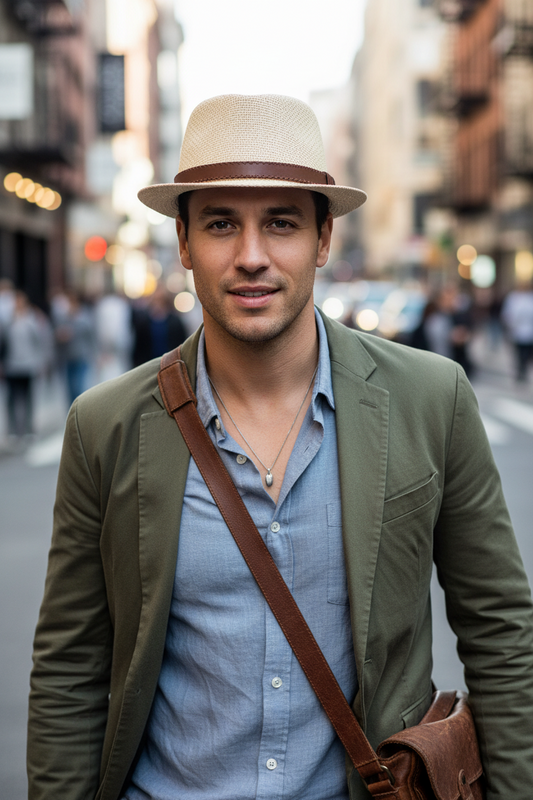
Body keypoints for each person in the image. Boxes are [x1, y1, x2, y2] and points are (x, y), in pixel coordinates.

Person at [28, 94, 533, 800]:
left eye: (282, 223)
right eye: (220, 224)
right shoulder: (104, 425)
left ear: (323, 240)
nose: (252, 257)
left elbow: (501, 632)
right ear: (182, 243)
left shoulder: (431, 398)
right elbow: (69, 667)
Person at [0, 290, 42, 439]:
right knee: (11, 399)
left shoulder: (32, 319)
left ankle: (29, 429)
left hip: (29, 364)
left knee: (29, 398)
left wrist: (40, 362)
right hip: (12, 365)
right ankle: (12, 431)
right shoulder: (7, 321)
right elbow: (3, 343)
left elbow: (39, 341)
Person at [131, 286, 187, 367]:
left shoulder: (175, 321)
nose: (158, 304)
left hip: (170, 364)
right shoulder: (143, 322)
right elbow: (139, 348)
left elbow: (182, 343)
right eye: (156, 301)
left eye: (161, 300)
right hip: (148, 365)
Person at [501, 281, 533, 382]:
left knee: (527, 354)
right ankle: (520, 371)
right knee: (518, 354)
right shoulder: (513, 297)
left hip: (529, 332)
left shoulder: (530, 298)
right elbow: (508, 314)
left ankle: (523, 370)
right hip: (517, 332)